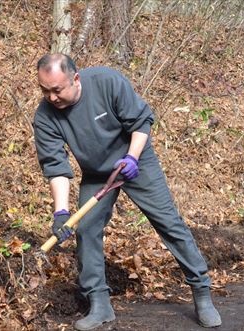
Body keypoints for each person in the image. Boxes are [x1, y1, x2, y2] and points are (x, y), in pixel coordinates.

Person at [33, 53, 221, 330]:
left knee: (168, 222)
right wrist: (61, 212)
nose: (51, 97)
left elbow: (141, 122)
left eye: (57, 90)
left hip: (136, 161)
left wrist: (132, 158)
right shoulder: (45, 115)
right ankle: (99, 304)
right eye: (45, 90)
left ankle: (202, 292)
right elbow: (56, 166)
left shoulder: (107, 82)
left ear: (75, 78)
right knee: (86, 230)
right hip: (97, 173)